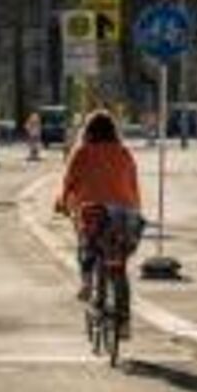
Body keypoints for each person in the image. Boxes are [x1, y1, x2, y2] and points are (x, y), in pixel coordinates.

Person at [56, 109, 143, 328]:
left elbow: (69, 182)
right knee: (119, 263)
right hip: (126, 214)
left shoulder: (82, 152)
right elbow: (133, 184)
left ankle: (87, 282)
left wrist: (61, 203)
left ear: (88, 131)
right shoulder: (124, 152)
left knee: (87, 244)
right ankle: (123, 324)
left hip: (95, 212)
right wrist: (136, 209)